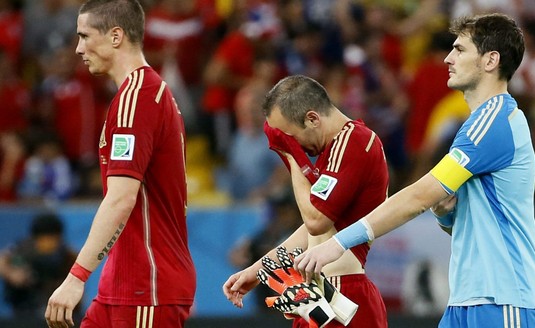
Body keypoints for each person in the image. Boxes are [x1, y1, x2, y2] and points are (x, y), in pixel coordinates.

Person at [294, 13, 535, 328]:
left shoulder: (494, 122)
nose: (448, 58)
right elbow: (460, 222)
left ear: (490, 60)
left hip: (505, 300)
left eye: (460, 50)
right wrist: (445, 213)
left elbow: (418, 196)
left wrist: (338, 242)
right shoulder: (476, 125)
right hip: (466, 301)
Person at [44, 1, 196, 327]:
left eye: (85, 36)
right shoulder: (144, 93)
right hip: (124, 284)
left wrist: (76, 277)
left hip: (148, 283)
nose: (78, 48)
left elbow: (122, 197)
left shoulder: (137, 99)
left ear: (116, 36)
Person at [223, 74, 389, 328]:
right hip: (317, 298)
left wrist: (290, 154)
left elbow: (316, 221)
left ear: (312, 119)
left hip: (344, 294)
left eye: (290, 136)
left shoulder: (355, 141)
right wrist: (256, 272)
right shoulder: (333, 150)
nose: (292, 143)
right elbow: (312, 236)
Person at [0, 213, 77, 320]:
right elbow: (3, 259)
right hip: (25, 301)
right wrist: (12, 273)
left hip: (53, 301)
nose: (47, 244)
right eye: (43, 239)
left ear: (59, 237)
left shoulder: (66, 254)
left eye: (51, 239)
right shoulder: (23, 248)